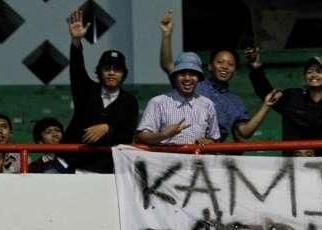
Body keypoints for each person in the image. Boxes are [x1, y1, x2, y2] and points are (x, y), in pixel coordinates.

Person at [159, 10, 277, 143]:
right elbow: (168, 65)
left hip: (212, 157)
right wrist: (167, 35)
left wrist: (266, 106)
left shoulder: (235, 102)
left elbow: (244, 132)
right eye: (220, 62)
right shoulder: (193, 85)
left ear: (235, 71)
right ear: (210, 66)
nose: (225, 67)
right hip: (182, 148)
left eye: (230, 64)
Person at [63, 9, 139, 173]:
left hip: (106, 169)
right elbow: (77, 69)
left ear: (124, 74)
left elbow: (127, 136)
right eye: (107, 68)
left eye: (117, 69)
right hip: (74, 165)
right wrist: (76, 41)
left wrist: (107, 128)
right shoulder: (86, 90)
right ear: (99, 71)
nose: (112, 72)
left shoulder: (129, 102)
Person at [136, 52, 225, 145]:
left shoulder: (207, 104)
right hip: (165, 158)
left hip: (196, 158)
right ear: (175, 77)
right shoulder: (158, 102)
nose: (187, 78)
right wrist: (164, 134)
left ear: (199, 78)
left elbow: (214, 138)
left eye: (193, 74)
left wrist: (207, 142)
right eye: (182, 74)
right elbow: (142, 137)